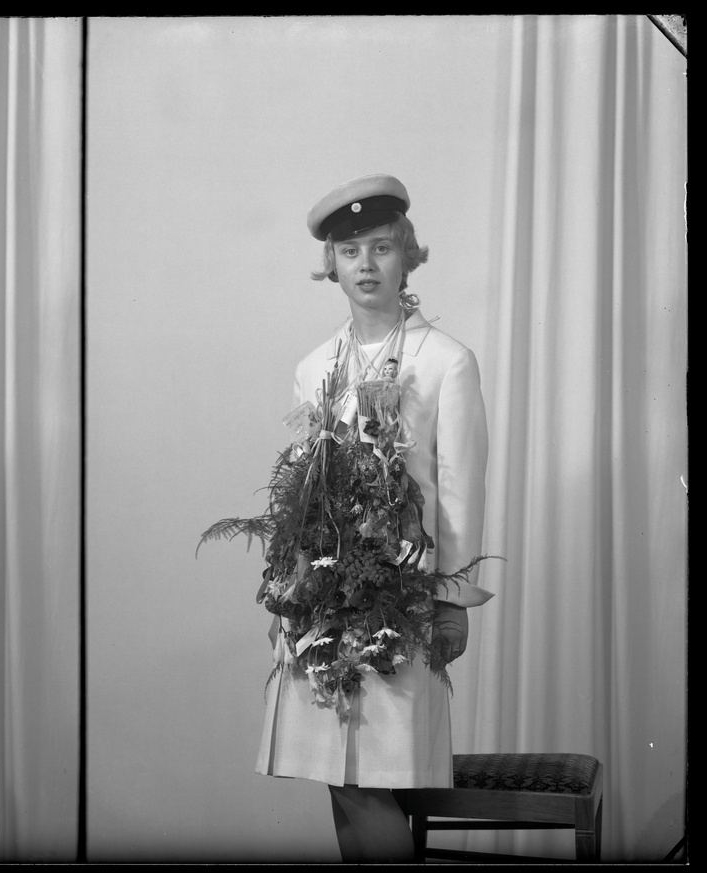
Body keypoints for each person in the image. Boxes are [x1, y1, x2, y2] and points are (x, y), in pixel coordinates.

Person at [255, 174, 492, 862]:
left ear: (406, 256)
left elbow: (460, 490)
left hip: (401, 597)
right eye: (350, 250)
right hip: (323, 600)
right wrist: (290, 584)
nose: (366, 265)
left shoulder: (446, 362)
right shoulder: (314, 367)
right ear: (331, 263)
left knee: (377, 776)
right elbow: (304, 487)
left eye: (382, 247)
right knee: (341, 777)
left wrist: (452, 602)